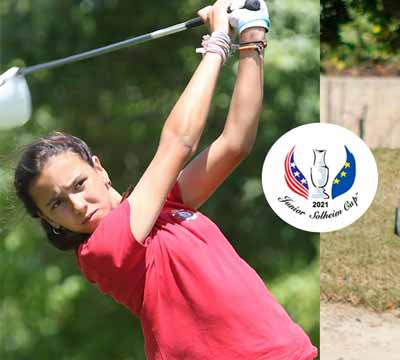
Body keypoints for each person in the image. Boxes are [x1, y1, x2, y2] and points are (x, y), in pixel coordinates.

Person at [13, 1, 317, 359]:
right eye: (56, 203)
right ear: (47, 220)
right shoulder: (103, 252)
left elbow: (235, 143)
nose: (78, 205)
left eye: (79, 184)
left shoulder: (165, 210)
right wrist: (217, 43)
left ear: (100, 170)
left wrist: (251, 33)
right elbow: (178, 143)